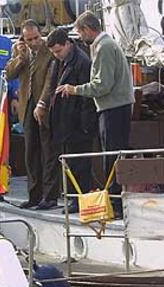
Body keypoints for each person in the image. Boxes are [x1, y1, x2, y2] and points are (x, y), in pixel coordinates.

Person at [56, 12, 135, 217]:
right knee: (112, 156)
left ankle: (116, 205)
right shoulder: (104, 45)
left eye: (80, 33)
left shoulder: (104, 47)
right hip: (113, 107)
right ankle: (115, 201)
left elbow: (102, 85)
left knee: (112, 157)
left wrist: (75, 89)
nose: (80, 38)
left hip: (113, 109)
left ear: (87, 29)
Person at [5, 20, 58, 210]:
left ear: (40, 34)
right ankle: (34, 195)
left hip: (45, 107)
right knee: (30, 152)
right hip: (27, 106)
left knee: (48, 151)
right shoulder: (21, 51)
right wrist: (20, 56)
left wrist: (43, 103)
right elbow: (9, 74)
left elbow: (50, 82)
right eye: (29, 40)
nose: (33, 42)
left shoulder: (49, 50)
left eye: (36, 38)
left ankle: (50, 196)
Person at [46, 28, 98, 214]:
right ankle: (74, 198)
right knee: (70, 162)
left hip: (77, 122)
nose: (56, 55)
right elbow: (53, 87)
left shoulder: (81, 62)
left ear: (68, 44)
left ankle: (79, 199)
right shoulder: (60, 61)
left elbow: (86, 97)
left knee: (80, 164)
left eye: (58, 50)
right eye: (53, 52)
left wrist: (85, 126)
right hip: (64, 121)